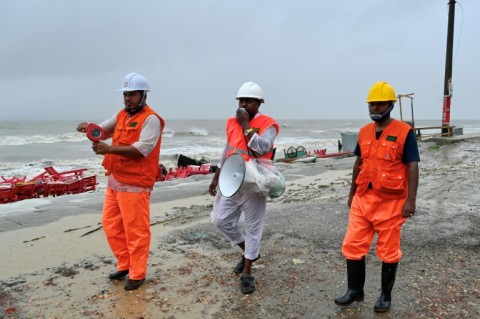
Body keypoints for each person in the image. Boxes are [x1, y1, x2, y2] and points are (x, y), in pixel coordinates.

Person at [334, 81, 419, 312]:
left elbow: (412, 165)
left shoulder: (404, 132)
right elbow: (358, 163)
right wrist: (351, 193)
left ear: (390, 105)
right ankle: (355, 291)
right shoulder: (364, 132)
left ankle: (385, 295)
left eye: (379, 103)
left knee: (389, 251)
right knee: (352, 245)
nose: (374, 108)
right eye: (372, 104)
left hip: (391, 202)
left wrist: (411, 200)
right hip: (363, 198)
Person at [76, 73, 164, 291]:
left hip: (135, 184)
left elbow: (142, 149)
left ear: (143, 95)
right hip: (115, 181)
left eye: (132, 94)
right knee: (111, 225)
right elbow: (102, 130)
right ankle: (124, 265)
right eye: (125, 94)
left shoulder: (151, 119)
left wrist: (109, 149)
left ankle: (137, 273)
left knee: (136, 231)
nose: (128, 98)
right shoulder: (122, 116)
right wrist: (88, 128)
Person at [208, 82, 279, 294]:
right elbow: (227, 150)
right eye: (241, 101)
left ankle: (247, 272)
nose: (244, 104)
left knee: (253, 226)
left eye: (249, 101)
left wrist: (247, 125)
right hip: (232, 176)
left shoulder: (269, 124)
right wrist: (216, 176)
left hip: (255, 180)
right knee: (220, 219)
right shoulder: (232, 122)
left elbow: (263, 147)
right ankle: (248, 251)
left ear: (260, 103)